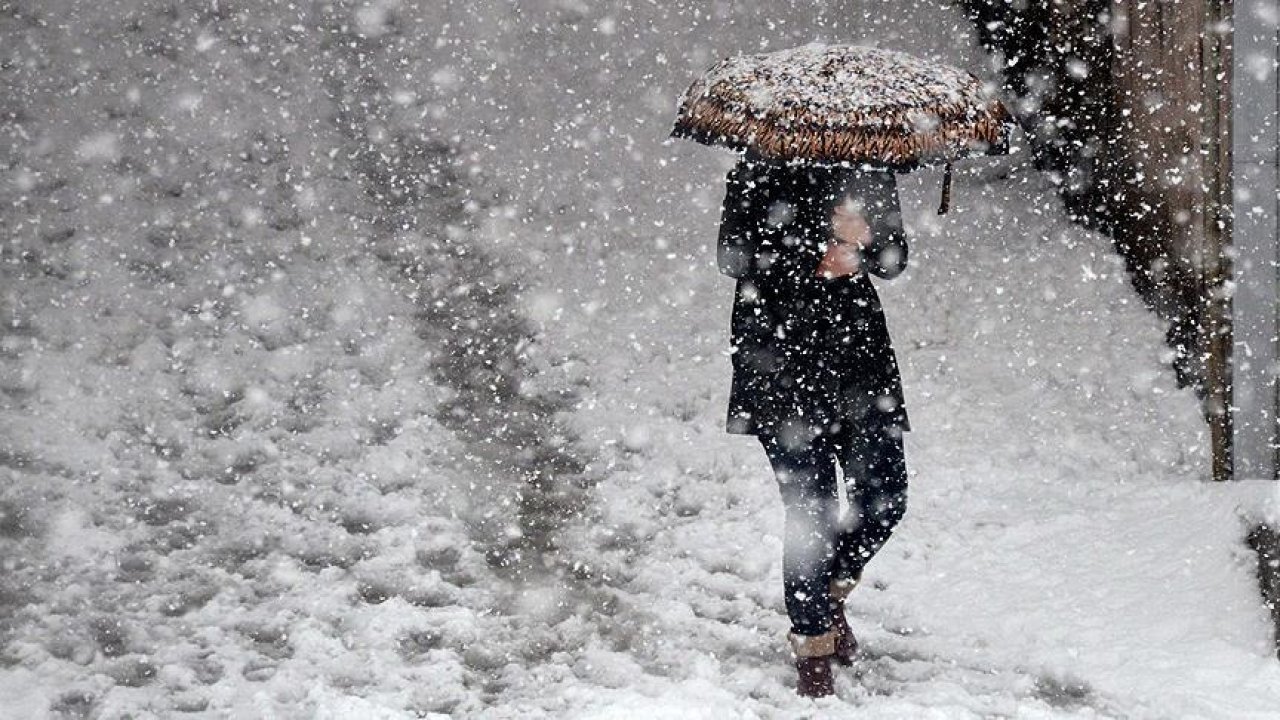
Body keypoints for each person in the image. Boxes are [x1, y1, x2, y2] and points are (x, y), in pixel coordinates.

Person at [716, 152, 910, 698]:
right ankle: (813, 651)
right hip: (779, 359)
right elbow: (733, 257)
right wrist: (816, 246)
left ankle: (825, 596)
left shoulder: (870, 167)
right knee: (811, 513)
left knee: (885, 497)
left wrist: (865, 243)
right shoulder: (756, 170)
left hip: (859, 362)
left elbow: (894, 260)